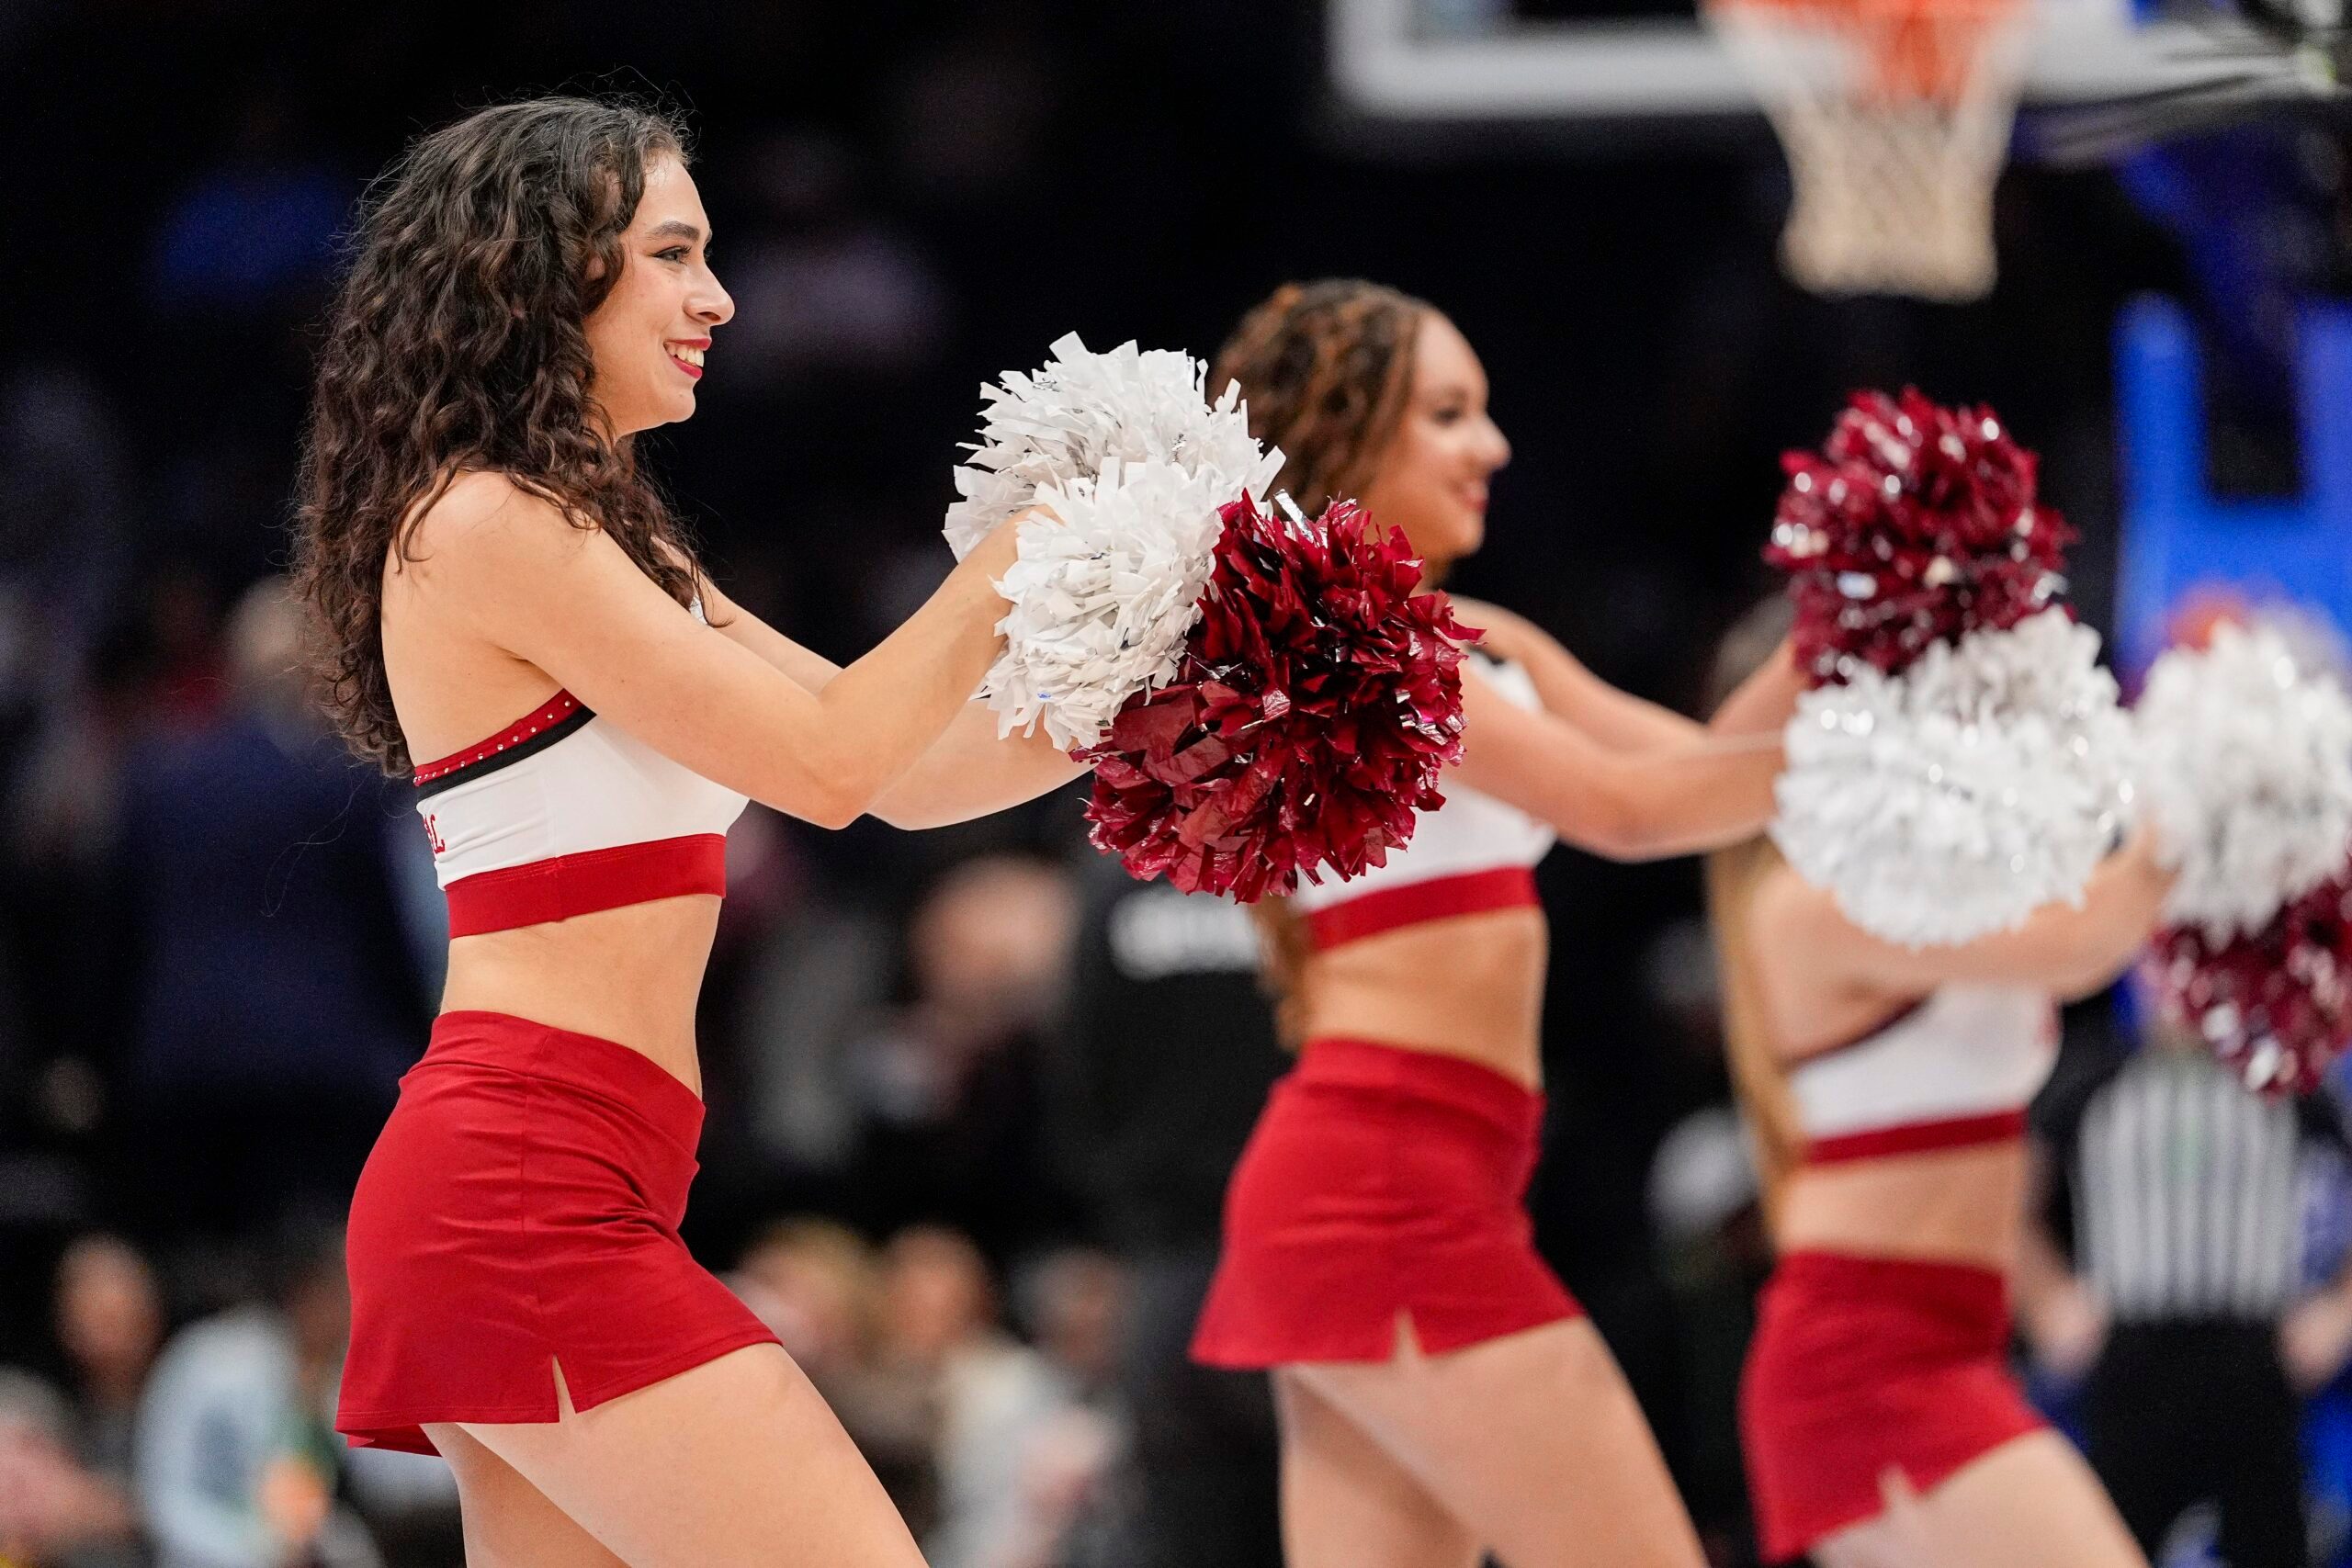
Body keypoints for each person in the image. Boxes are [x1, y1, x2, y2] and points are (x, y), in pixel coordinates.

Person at [291, 97, 1084, 1565]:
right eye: (674, 254)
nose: (718, 295)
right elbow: (836, 762)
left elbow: (897, 766)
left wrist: (1147, 717)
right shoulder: (480, 523)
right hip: (524, 1191)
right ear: (542, 278)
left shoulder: (614, 536)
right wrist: (1035, 539)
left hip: (557, 1184)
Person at [1187, 278, 1804, 1568]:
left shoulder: (1481, 641)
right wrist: (1874, 695)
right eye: (1452, 413)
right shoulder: (1360, 649)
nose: (1495, 445)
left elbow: (1698, 770)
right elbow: (1635, 811)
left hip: (1403, 1188)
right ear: (1347, 438)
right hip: (1387, 1194)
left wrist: (1840, 634)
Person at [1705, 607, 2176, 1567]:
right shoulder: (1804, 905)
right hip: (1867, 1370)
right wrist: (2213, 782)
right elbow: (2089, 939)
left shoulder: (1922, 880)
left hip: (1956, 1347)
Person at [2020, 998, 2352, 1568]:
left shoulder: (2279, 1081)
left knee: (2271, 1547)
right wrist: (2046, 1301)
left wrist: (2340, 1314)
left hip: (2253, 1356)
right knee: (2109, 1548)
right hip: (2129, 1358)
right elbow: (2007, 1200)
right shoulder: (2090, 1079)